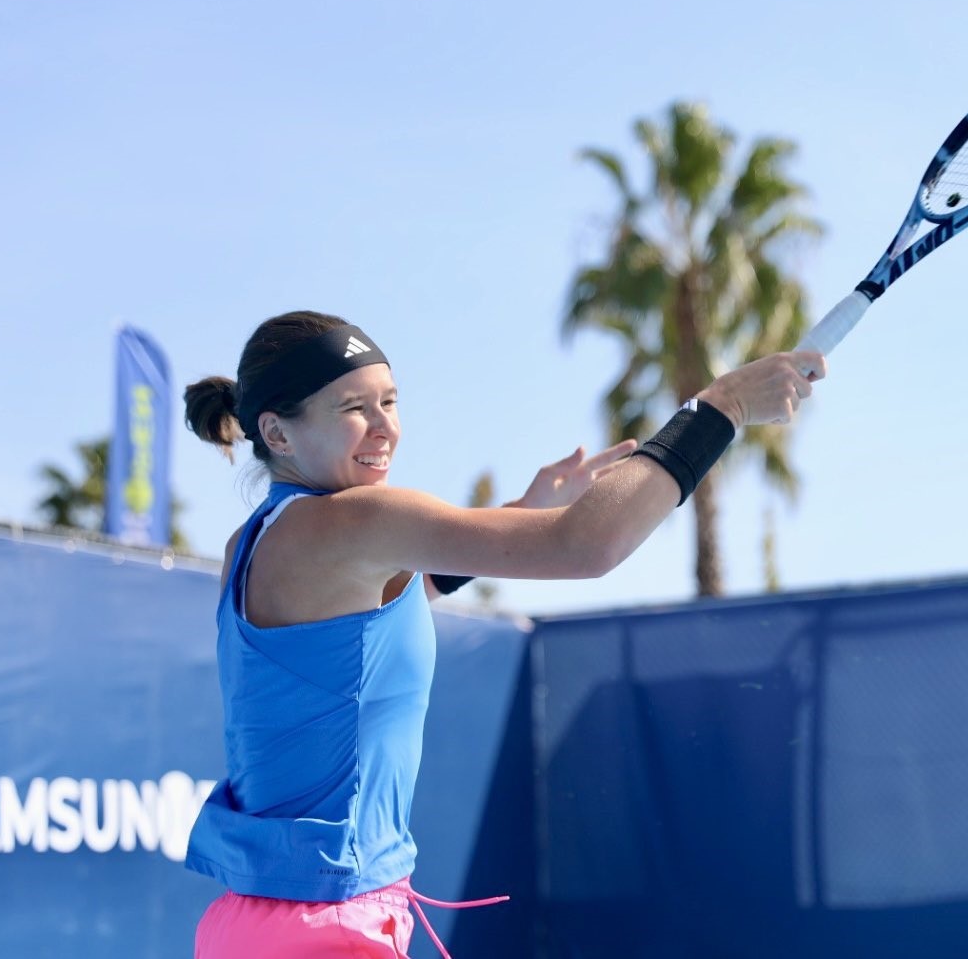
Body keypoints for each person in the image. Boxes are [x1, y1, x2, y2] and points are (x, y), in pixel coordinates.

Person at [181, 310, 824, 958]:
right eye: (354, 407)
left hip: (256, 925)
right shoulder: (355, 521)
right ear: (277, 433)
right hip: (325, 927)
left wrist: (521, 514)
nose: (384, 427)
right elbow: (587, 545)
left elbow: (379, 621)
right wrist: (723, 406)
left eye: (390, 400)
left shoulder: (255, 543)